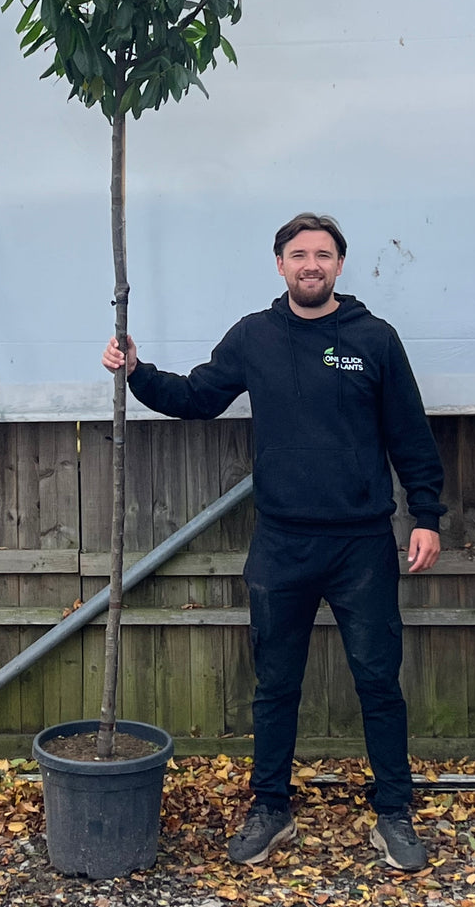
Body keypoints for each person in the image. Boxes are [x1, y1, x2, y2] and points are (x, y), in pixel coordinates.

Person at [101, 211, 445, 872]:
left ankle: (394, 811)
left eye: (323, 255)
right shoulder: (254, 337)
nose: (311, 265)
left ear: (339, 265)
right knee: (275, 683)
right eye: (299, 255)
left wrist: (425, 514)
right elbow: (197, 397)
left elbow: (410, 433)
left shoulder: (373, 339)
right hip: (282, 543)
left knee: (378, 680)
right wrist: (138, 370)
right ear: (281, 265)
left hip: (362, 544)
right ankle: (270, 807)